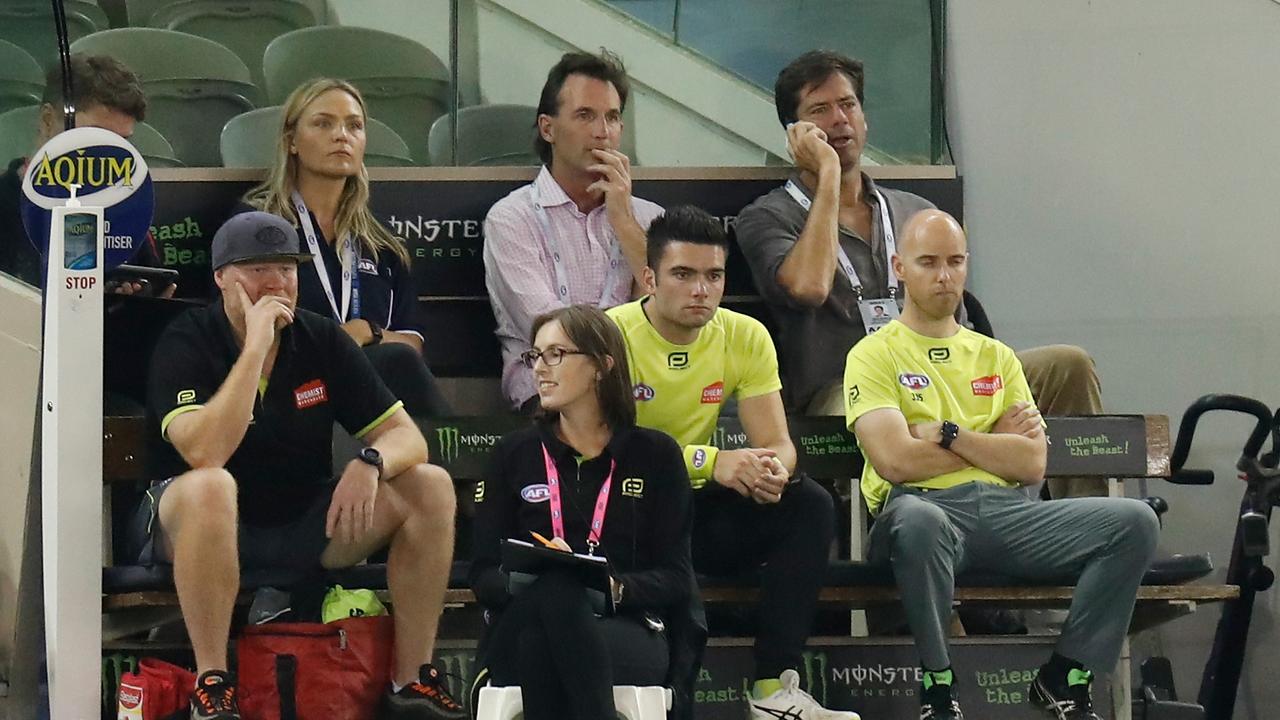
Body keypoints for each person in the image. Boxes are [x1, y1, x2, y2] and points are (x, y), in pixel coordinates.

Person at [138, 212, 465, 720]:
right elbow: (205, 452)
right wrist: (254, 350)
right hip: (198, 525)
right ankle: (212, 682)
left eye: (287, 269)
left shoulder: (320, 338)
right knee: (212, 486)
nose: (276, 283)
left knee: (429, 485)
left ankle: (411, 680)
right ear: (222, 277)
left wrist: (371, 462)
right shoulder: (187, 338)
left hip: (302, 519)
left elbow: (407, 438)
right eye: (257, 268)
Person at [735, 50, 1103, 498]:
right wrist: (828, 174)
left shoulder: (917, 212)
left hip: (948, 378)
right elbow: (810, 287)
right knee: (902, 413)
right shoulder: (767, 217)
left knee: (1069, 365)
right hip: (846, 388)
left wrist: (987, 402)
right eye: (820, 111)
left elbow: (961, 327)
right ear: (795, 134)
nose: (840, 120)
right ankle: (956, 508)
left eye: (848, 105)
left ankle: (1076, 524)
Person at [844, 209, 1158, 720]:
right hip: (920, 513)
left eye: (954, 262)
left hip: (1008, 514)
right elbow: (895, 460)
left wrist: (951, 434)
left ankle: (1067, 678)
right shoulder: (873, 354)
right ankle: (939, 687)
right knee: (919, 522)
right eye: (928, 263)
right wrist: (993, 442)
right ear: (900, 267)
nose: (944, 276)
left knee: (1134, 523)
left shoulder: (996, 357)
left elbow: (1033, 463)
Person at [606, 206, 856, 720]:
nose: (701, 290)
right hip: (627, 517)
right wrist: (710, 460)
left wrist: (770, 471)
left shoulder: (745, 335)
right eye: (684, 274)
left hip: (699, 519)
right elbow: (604, 451)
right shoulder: (610, 336)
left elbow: (779, 444)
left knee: (807, 501)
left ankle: (773, 689)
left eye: (713, 276)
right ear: (649, 278)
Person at [469, 304, 693, 720]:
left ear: (601, 366)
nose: (540, 368)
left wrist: (613, 586)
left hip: (625, 625)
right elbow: (482, 574)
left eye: (556, 354)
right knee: (556, 587)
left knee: (545, 633)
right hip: (522, 617)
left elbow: (677, 578)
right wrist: (542, 579)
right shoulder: (513, 454)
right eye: (535, 355)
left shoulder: (656, 454)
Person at [241, 77, 449, 418]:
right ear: (291, 141)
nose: (342, 135)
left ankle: (452, 461)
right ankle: (462, 461)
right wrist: (335, 341)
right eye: (323, 123)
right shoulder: (257, 225)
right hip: (287, 391)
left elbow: (412, 345)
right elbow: (236, 328)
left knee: (397, 361)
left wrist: (367, 332)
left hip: (368, 394)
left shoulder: (381, 245)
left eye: (354, 126)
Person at [484, 49, 663, 412]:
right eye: (585, 116)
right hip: (549, 398)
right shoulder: (511, 218)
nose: (602, 133)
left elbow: (667, 320)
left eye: (612, 118)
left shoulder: (649, 219)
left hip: (644, 394)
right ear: (548, 128)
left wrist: (624, 221)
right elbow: (552, 337)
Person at [0, 53, 168, 293]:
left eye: (120, 143)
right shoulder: (4, 204)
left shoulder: (127, 209)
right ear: (48, 120)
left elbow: (153, 285)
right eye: (94, 136)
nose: (106, 154)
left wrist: (132, 301)